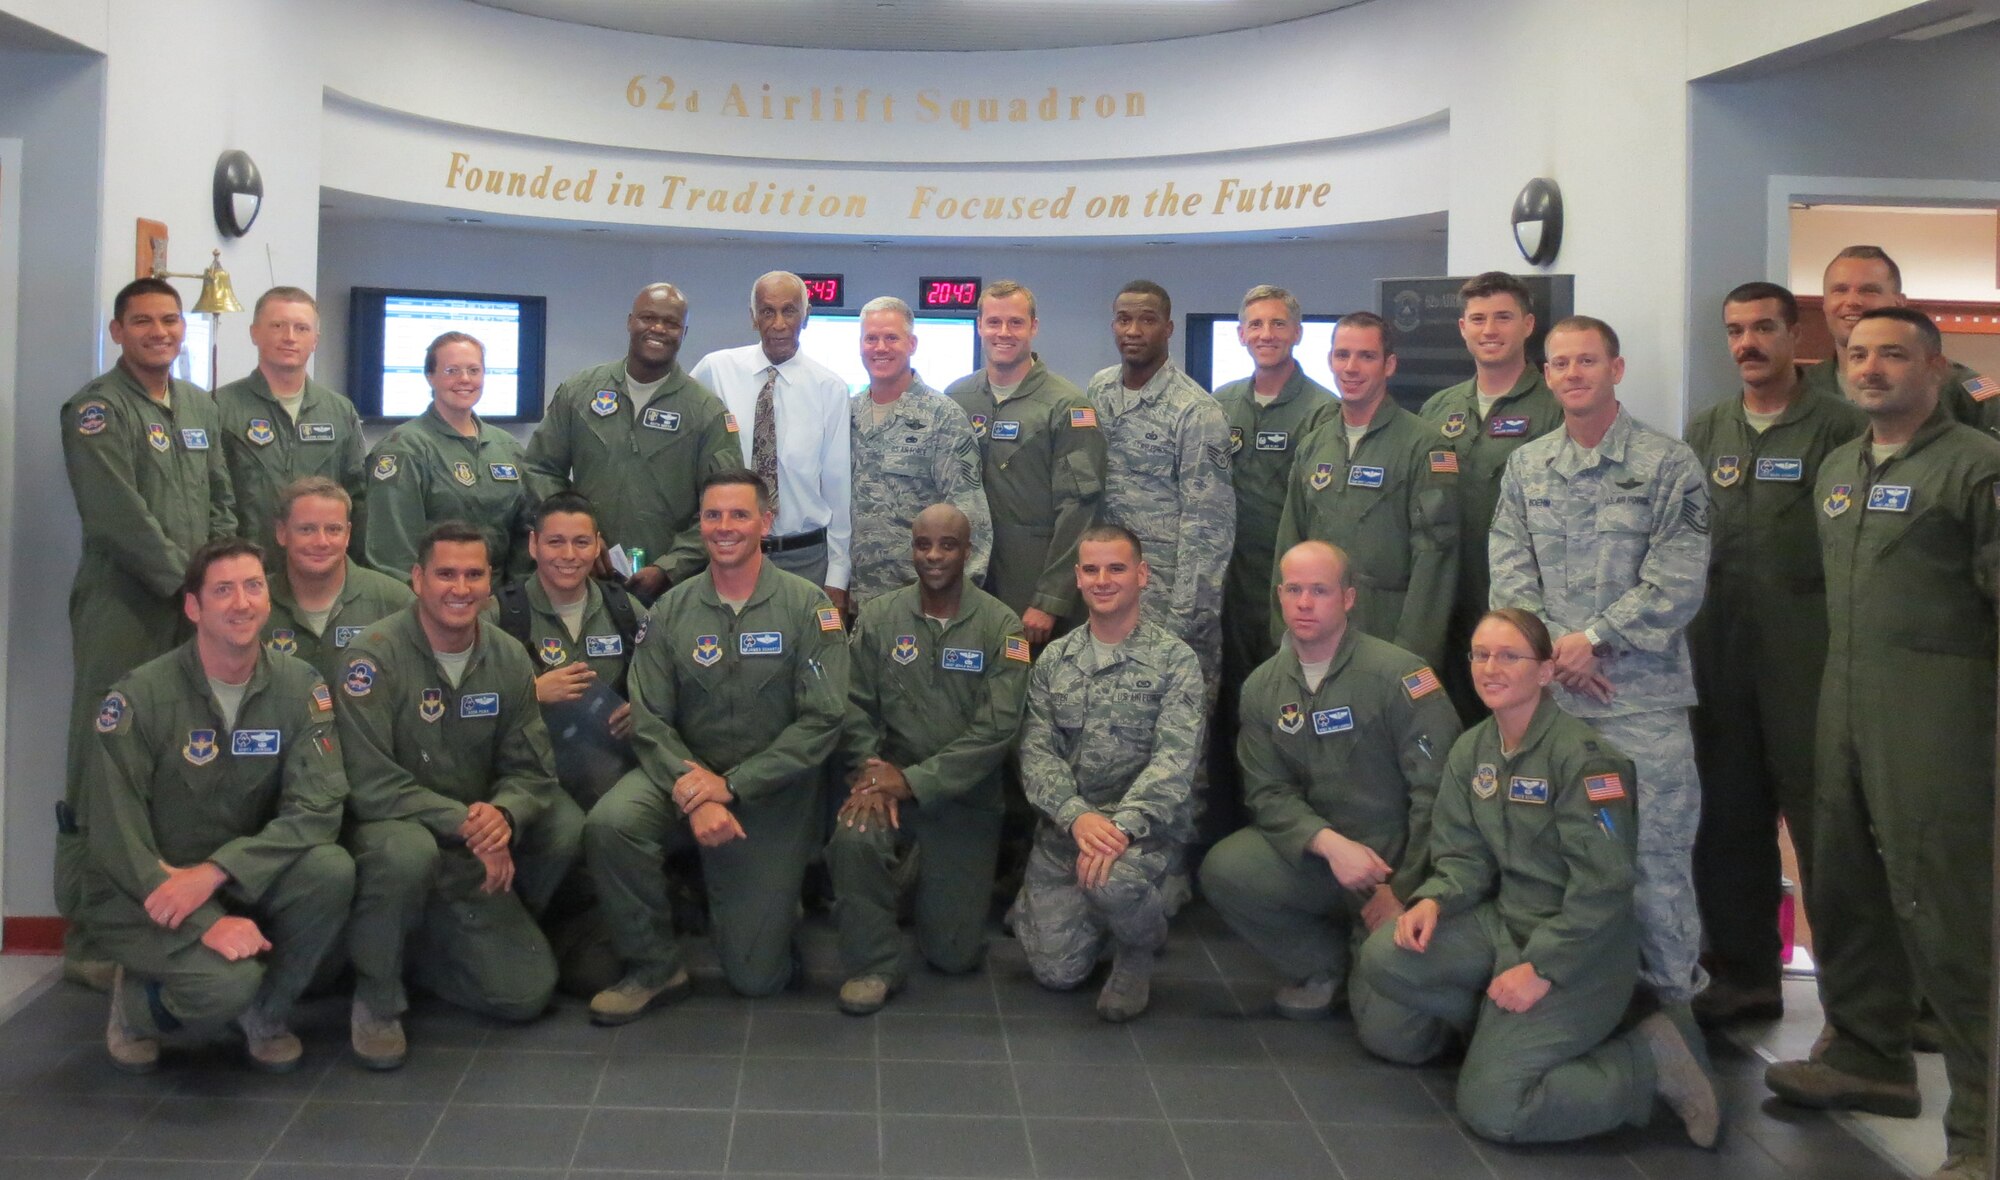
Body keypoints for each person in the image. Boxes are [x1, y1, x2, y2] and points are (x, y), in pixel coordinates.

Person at [1766, 307, 2000, 1180]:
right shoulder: (1836, 469)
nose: (1870, 369)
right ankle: (1868, 1057)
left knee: (1952, 918)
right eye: (1858, 355)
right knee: (1847, 888)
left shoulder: (1976, 470)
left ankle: (1981, 1131)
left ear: (1934, 368)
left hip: (1939, 720)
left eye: (1892, 355)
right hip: (1845, 706)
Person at [1355, 608, 1720, 1147]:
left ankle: (1646, 1061)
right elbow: (1463, 859)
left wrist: (1542, 967)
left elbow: (1604, 889)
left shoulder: (1589, 763)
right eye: (1480, 654)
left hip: (1581, 952)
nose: (1490, 667)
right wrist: (1433, 899)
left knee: (1497, 1110)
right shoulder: (1472, 750)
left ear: (1546, 672)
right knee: (1386, 956)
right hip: (1507, 925)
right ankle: (1507, 1038)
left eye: (1509, 656)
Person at [1488, 315, 1711, 1007]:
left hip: (1639, 704)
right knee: (1556, 864)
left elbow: (1679, 580)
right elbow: (1508, 574)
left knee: (1653, 867)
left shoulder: (1668, 465)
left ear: (1615, 369)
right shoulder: (1527, 465)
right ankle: (1581, 1012)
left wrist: (1595, 639)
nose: (1572, 374)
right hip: (1552, 704)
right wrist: (1559, 650)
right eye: (1559, 365)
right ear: (1546, 376)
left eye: (1587, 361)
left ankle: (1673, 1014)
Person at [584, 470, 849, 1018]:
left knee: (757, 978)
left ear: (765, 521)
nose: (724, 527)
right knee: (611, 823)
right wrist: (698, 790)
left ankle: (778, 911)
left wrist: (730, 785)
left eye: (738, 515)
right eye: (712, 516)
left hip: (771, 787)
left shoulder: (809, 610)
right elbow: (650, 717)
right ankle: (654, 967)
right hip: (679, 772)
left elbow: (822, 720)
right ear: (700, 524)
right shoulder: (670, 611)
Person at [84, 538, 353, 1074]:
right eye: (223, 590)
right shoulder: (140, 697)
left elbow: (318, 808)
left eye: (254, 586)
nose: (241, 602)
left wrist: (215, 874)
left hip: (231, 876)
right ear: (193, 607)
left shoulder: (299, 685)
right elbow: (116, 836)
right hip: (142, 889)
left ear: (268, 599)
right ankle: (136, 1009)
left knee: (332, 870)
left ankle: (266, 1017)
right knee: (227, 984)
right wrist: (202, 924)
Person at [337, 522, 583, 1069]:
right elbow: (370, 784)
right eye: (445, 574)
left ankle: (436, 940)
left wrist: (504, 813)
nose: (460, 588)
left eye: (474, 574)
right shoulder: (370, 658)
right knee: (406, 853)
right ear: (417, 579)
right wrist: (465, 820)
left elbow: (533, 772)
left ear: (490, 582)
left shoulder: (507, 656)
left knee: (525, 994)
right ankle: (376, 997)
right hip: (399, 832)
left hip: (474, 840)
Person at [1683, 282, 1864, 1026]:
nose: (1747, 343)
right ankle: (1746, 974)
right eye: (1735, 330)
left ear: (1795, 335)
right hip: (1719, 654)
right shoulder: (1708, 430)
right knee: (1726, 821)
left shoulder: (1838, 428)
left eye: (1763, 328)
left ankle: (1857, 1010)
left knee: (1827, 830)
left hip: (1807, 657)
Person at [59, 277, 238, 990]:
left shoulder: (197, 405)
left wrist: (225, 581)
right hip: (126, 610)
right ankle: (89, 934)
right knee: (107, 763)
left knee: (183, 763)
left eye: (169, 320)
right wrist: (197, 590)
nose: (159, 332)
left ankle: (167, 917)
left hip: (196, 608)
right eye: (143, 322)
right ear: (117, 330)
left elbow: (222, 496)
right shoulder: (96, 411)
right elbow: (117, 518)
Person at [1202, 541, 1460, 1020]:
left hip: (1397, 863)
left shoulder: (1400, 675)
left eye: (1319, 590)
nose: (1304, 603)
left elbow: (1440, 796)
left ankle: (1388, 967)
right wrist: (1327, 843)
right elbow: (1267, 793)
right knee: (1228, 868)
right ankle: (1327, 966)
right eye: (1294, 589)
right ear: (1279, 595)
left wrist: (1404, 890)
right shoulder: (1263, 687)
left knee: (1393, 1036)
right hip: (1326, 859)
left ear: (1348, 598)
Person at [828, 503, 1030, 1014]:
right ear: (911, 549)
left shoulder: (1001, 626)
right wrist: (871, 774)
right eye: (923, 545)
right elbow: (852, 707)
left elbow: (996, 731)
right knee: (852, 837)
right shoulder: (879, 617)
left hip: (964, 800)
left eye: (947, 545)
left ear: (968, 551)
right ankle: (874, 962)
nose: (934, 556)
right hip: (883, 785)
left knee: (953, 956)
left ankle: (921, 887)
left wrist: (912, 781)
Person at [1015, 524, 1204, 1022]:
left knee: (1113, 884)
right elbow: (1036, 754)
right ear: (1076, 578)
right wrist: (1076, 817)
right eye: (1092, 569)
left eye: (1116, 568)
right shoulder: (1054, 659)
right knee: (1056, 973)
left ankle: (1137, 949)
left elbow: (1174, 761)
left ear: (1142, 575)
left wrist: (1119, 828)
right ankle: (1077, 914)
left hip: (1139, 838)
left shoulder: (1175, 661)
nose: (1103, 580)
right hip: (1066, 833)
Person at [1086, 280, 1232, 882]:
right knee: (1111, 736)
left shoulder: (1197, 412)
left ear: (1169, 328)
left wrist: (1180, 626)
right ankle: (1106, 860)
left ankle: (1169, 875)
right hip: (1107, 602)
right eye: (1123, 319)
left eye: (1146, 321)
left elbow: (1211, 524)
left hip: (1172, 609)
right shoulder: (1097, 392)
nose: (1132, 331)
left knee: (1177, 750)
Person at [489, 492, 646, 998]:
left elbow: (664, 675)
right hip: (531, 775)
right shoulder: (502, 612)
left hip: (609, 771)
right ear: (533, 544)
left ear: (599, 546)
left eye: (582, 542)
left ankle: (610, 928)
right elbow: (465, 702)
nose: (569, 554)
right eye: (555, 541)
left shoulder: (624, 608)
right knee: (563, 832)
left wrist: (643, 709)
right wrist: (531, 693)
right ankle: (515, 934)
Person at [1211, 286, 1338, 825]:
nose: (1266, 335)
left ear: (1297, 333)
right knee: (1227, 702)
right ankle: (1226, 818)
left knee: (1288, 702)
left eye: (1278, 324)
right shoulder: (1219, 403)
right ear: (1241, 334)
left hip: (1289, 585)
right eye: (1256, 325)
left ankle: (1291, 821)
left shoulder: (1321, 410)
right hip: (1226, 583)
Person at [525, 283, 740, 601]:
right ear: (630, 321)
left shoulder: (706, 412)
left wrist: (670, 567)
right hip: (582, 580)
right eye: (648, 318)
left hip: (673, 592)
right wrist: (578, 537)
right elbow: (539, 468)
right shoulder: (579, 392)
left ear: (684, 332)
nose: (658, 329)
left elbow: (724, 507)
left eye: (671, 323)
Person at [1273, 311, 1459, 668]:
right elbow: (1290, 542)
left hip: (1388, 632)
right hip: (1317, 632)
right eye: (1342, 355)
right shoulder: (1314, 445)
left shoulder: (1425, 446)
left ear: (1389, 365)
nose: (1351, 367)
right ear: (1330, 360)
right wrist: (1284, 634)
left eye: (1366, 356)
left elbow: (1435, 562)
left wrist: (1411, 655)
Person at [1418, 272, 1563, 720]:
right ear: (1462, 328)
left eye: (1503, 317)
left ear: (1528, 324)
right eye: (1478, 319)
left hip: (1524, 600)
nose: (1489, 330)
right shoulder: (1438, 410)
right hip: (1445, 598)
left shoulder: (1555, 406)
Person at [944, 279, 1105, 643]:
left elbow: (1079, 513)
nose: (1004, 333)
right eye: (994, 322)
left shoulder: (1067, 405)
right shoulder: (957, 398)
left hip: (1031, 588)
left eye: (1015, 322)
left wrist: (1050, 600)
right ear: (979, 326)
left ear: (1033, 327)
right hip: (966, 584)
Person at [690, 271, 854, 607]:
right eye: (767, 311)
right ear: (753, 317)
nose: (778, 323)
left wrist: (837, 575)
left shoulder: (830, 388)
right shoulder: (715, 370)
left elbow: (838, 487)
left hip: (804, 558)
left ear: (805, 317)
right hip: (729, 552)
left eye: (789, 311)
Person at [846, 295, 992, 610]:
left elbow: (970, 512)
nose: (880, 347)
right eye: (871, 338)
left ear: (912, 344)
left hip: (922, 600)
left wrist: (963, 599)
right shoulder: (846, 414)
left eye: (891, 338)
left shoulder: (943, 416)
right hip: (857, 601)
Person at [361, 331, 533, 583]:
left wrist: (514, 601)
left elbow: (524, 535)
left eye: (474, 370)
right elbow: (393, 554)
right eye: (452, 371)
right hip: (430, 602)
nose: (464, 379)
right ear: (430, 377)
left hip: (498, 605)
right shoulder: (405, 449)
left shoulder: (507, 448)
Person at [213, 287, 367, 562]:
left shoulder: (339, 411)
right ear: (254, 333)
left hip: (322, 571)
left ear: (315, 340)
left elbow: (358, 499)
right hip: (249, 572)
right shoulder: (219, 407)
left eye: (301, 328)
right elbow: (213, 501)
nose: (289, 338)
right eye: (277, 326)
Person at [1801, 245, 1998, 437]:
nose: (1852, 301)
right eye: (1840, 290)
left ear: (1899, 303)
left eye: (1869, 290)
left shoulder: (1957, 386)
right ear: (1824, 303)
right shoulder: (1803, 387)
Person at [263, 476, 413, 682]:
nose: (321, 542)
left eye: (333, 530)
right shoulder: (253, 602)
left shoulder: (394, 602)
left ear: (348, 534)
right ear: (281, 533)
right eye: (307, 529)